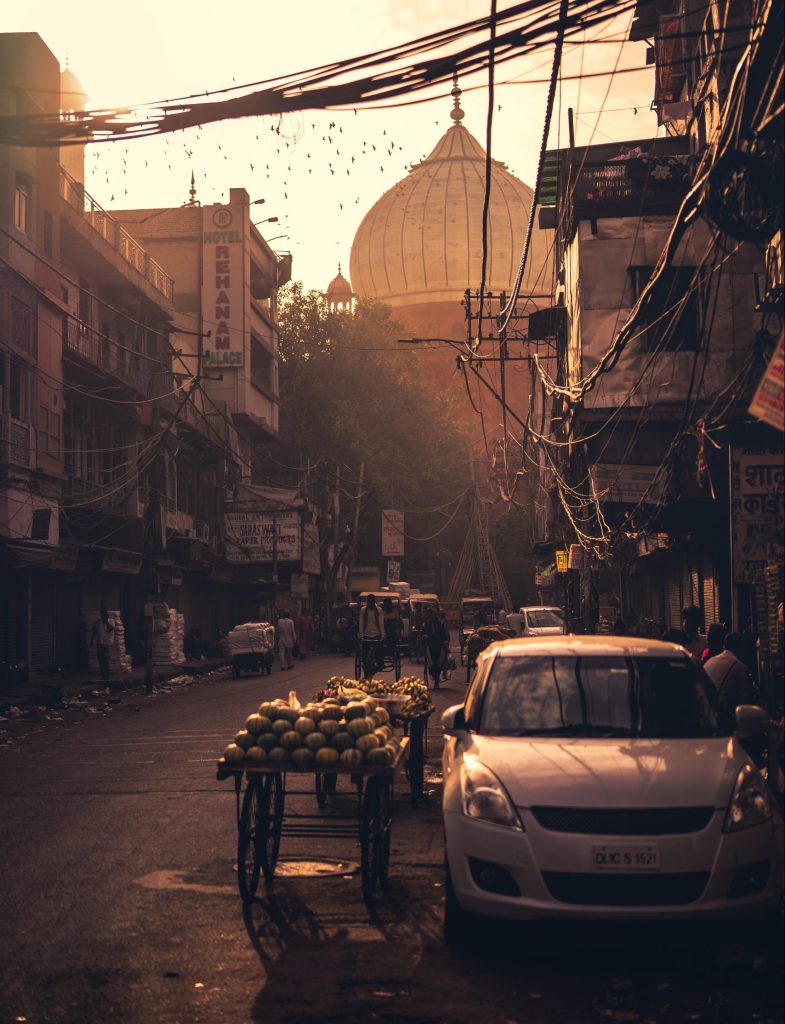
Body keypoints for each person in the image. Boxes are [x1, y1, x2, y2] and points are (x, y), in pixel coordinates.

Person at [704, 632, 753, 719]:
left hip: (703, 709)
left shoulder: (711, 660)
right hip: (718, 715)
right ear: (740, 648)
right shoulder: (739, 666)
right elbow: (745, 699)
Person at [422, 605, 449, 690]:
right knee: (432, 664)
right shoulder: (425, 624)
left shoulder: (440, 624)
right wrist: (425, 636)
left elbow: (445, 635)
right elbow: (423, 635)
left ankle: (437, 681)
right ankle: (435, 678)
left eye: (430, 615)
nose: (429, 617)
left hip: (439, 645)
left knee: (439, 664)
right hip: (430, 646)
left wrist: (445, 642)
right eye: (428, 615)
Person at [359, 593, 384, 675]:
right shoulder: (363, 610)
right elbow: (361, 622)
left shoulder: (379, 610)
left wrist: (382, 634)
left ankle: (380, 665)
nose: (370, 603)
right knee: (365, 653)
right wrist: (361, 634)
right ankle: (365, 667)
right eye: (368, 602)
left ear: (374, 602)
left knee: (379, 651)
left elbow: (381, 622)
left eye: (372, 602)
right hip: (366, 635)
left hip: (376, 634)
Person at [90, 607, 115, 683]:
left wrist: (106, 621)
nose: (103, 615)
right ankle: (103, 675)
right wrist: (92, 640)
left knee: (106, 659)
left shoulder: (111, 621)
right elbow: (95, 631)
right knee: (101, 659)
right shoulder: (99, 622)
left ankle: (107, 676)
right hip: (100, 643)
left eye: (104, 613)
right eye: (102, 613)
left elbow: (111, 629)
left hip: (107, 643)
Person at [382, 597, 402, 665]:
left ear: (390, 604)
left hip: (393, 631)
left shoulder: (395, 612)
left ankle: (391, 653)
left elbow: (399, 623)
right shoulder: (382, 613)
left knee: (392, 639)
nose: (387, 606)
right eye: (385, 604)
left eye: (388, 604)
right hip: (384, 631)